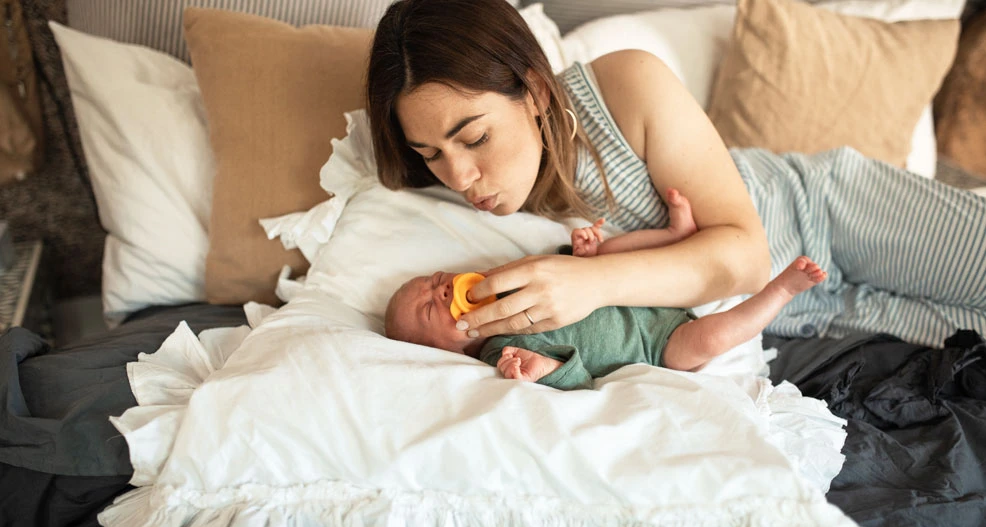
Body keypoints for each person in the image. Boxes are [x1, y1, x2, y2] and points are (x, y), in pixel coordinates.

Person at [366, 0, 986, 348]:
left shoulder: (621, 87)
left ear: (532, 90)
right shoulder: (449, 217)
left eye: (473, 137)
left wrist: (596, 281)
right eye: (430, 154)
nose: (462, 176)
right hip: (801, 316)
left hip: (825, 211)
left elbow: (745, 255)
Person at [385, 191, 827, 389]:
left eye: (433, 281)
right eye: (429, 308)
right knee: (710, 338)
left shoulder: (505, 280)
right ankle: (782, 291)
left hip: (633, 293)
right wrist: (541, 369)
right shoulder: (502, 354)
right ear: (446, 353)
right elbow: (579, 381)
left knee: (614, 253)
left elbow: (563, 273)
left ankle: (677, 235)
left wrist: (581, 254)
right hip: (659, 346)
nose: (439, 290)